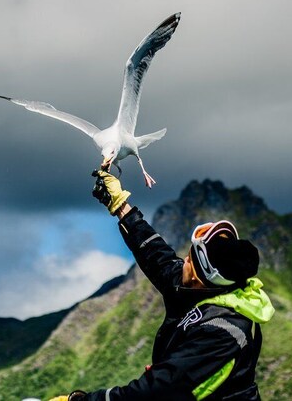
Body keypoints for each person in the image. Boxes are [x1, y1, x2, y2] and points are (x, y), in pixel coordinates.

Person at [49, 170, 274, 401]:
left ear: (199, 277)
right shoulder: (204, 289)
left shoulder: (222, 330)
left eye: (189, 260)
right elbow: (158, 256)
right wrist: (121, 207)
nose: (182, 261)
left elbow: (153, 393)